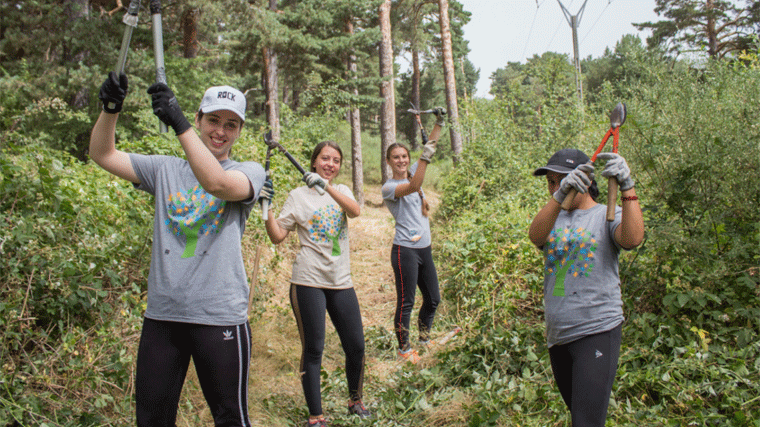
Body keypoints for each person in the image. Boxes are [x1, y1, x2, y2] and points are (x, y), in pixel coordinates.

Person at [90, 72, 271, 427]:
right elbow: (102, 154)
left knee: (230, 419)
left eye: (231, 125)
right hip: (163, 316)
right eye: (213, 120)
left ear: (239, 132)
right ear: (200, 119)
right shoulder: (165, 170)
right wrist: (110, 110)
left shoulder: (249, 172)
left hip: (219, 317)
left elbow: (217, 184)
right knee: (152, 420)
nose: (220, 131)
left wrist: (178, 123)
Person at [528, 148, 644, 427]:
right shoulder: (552, 217)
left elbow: (633, 237)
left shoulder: (606, 214)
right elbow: (535, 236)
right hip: (559, 333)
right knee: (582, 417)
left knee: (586, 423)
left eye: (562, 180)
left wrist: (627, 186)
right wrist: (558, 197)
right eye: (551, 182)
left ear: (585, 180)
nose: (556, 187)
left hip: (597, 328)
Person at [263, 141, 369, 427]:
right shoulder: (297, 196)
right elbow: (277, 236)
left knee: (356, 346)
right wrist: (267, 209)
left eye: (335, 160)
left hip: (341, 280)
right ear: (313, 161)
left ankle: (355, 400)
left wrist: (325, 186)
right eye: (324, 158)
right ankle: (316, 417)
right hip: (308, 280)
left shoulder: (342, 191)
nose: (330, 164)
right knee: (313, 349)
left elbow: (355, 211)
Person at [381, 109, 445, 364]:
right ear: (389, 161)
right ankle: (403, 349)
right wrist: (426, 158)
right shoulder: (389, 187)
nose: (401, 160)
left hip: (424, 249)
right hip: (404, 250)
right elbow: (414, 186)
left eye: (404, 156)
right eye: (395, 157)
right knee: (406, 301)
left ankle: (424, 338)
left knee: (433, 298)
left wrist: (439, 123)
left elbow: (431, 146)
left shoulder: (413, 171)